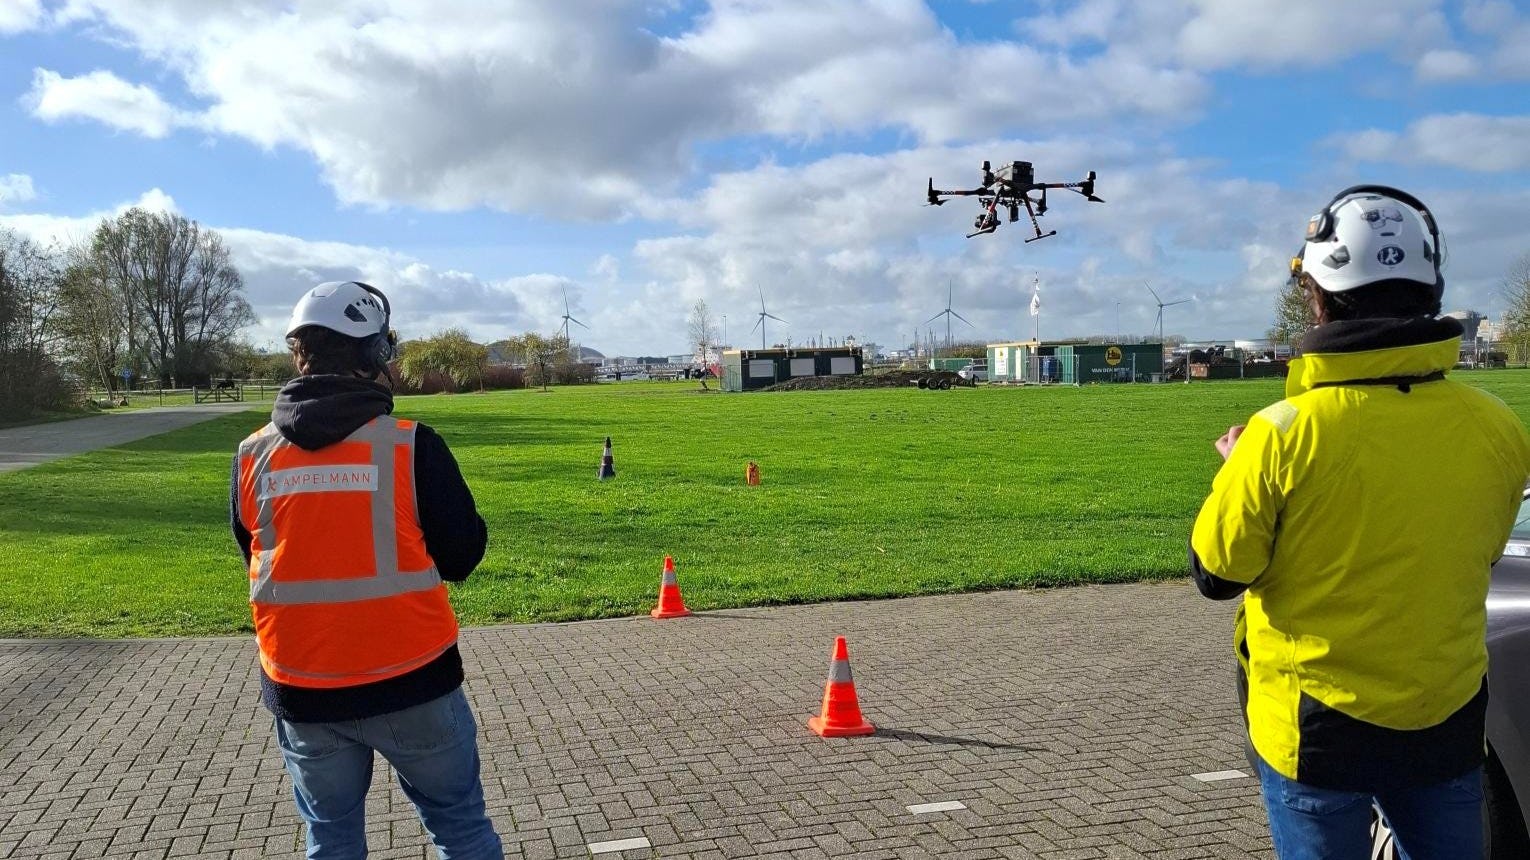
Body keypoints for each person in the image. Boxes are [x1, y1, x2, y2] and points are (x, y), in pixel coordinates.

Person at [1189, 186, 1530, 859]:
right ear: (1431, 289)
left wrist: (1235, 471)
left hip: (1320, 732)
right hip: (1448, 719)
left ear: (1318, 295)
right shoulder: (1497, 426)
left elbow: (1220, 573)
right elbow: (1482, 548)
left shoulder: (1279, 435)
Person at [230, 281, 503, 859]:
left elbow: (254, 555)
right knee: (460, 828)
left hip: (304, 688)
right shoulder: (411, 446)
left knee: (330, 840)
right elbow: (462, 556)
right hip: (413, 680)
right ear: (374, 356)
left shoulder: (251, 455)